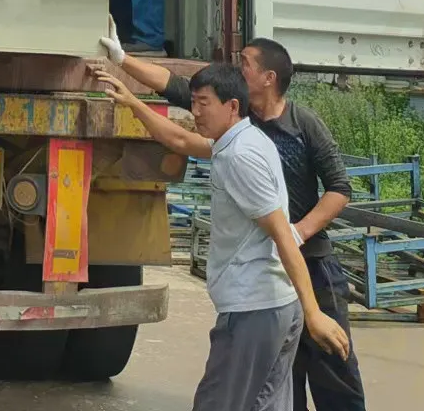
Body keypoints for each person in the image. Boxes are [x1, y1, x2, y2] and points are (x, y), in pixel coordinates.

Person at [100, 25, 366, 410]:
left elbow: (321, 203)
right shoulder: (244, 134)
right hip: (277, 286)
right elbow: (178, 129)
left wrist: (310, 298)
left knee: (332, 376)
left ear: (252, 90)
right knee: (274, 397)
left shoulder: (278, 136)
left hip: (278, 284)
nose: (194, 111)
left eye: (245, 64)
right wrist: (126, 76)